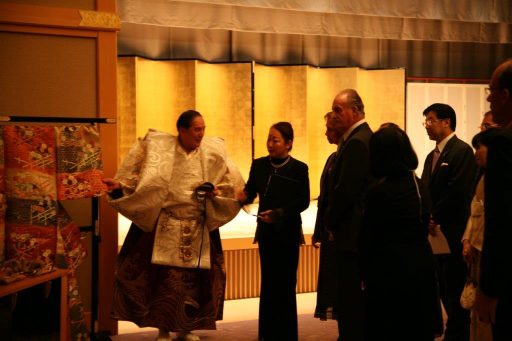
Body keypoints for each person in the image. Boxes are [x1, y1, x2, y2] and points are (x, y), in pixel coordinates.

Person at [103, 110, 243, 341]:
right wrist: (119, 186)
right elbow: (137, 180)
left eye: (203, 129)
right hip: (166, 222)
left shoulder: (212, 151)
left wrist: (217, 192)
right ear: (182, 130)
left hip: (197, 223)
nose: (201, 134)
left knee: (194, 282)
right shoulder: (159, 148)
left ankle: (186, 328)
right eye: (197, 129)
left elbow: (232, 184)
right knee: (164, 281)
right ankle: (163, 329)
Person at [361, 125, 438, 341]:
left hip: (388, 269)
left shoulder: (379, 191)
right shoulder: (419, 186)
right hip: (419, 265)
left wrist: (363, 272)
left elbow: (369, 236)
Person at [237, 122, 310, 341]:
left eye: (275, 140)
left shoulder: (299, 168)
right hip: (267, 233)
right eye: (269, 139)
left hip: (287, 233)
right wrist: (239, 196)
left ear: (289, 144)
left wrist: (279, 213)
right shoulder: (259, 165)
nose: (270, 144)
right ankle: (267, 335)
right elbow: (250, 193)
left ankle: (287, 335)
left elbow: (303, 201)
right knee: (268, 284)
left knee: (286, 285)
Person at [420, 103, 477, 341]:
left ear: (447, 122)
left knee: (454, 288)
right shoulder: (430, 155)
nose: (427, 125)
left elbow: (458, 191)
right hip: (434, 234)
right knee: (442, 288)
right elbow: (425, 190)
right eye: (425, 121)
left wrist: (434, 216)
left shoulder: (461, 151)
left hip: (452, 233)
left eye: (431, 120)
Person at [325, 89, 373, 341]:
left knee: (351, 302)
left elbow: (346, 192)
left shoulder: (357, 141)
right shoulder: (357, 138)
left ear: (355, 111)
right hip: (352, 234)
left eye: (338, 110)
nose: (333, 116)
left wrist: (331, 222)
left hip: (352, 236)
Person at [476, 59, 512, 341]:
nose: (488, 98)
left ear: (506, 95)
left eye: (491, 91)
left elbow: (501, 222)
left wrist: (488, 288)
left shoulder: (502, 145)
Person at [461, 129, 498, 341]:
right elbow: (474, 214)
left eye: (480, 148)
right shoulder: (482, 177)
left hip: (487, 250)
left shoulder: (498, 179)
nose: (476, 153)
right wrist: (467, 240)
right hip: (476, 249)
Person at [312, 112, 345, 324]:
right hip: (329, 231)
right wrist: (318, 230)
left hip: (340, 232)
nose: (325, 133)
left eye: (329, 129)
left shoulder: (348, 157)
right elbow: (323, 199)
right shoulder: (332, 158)